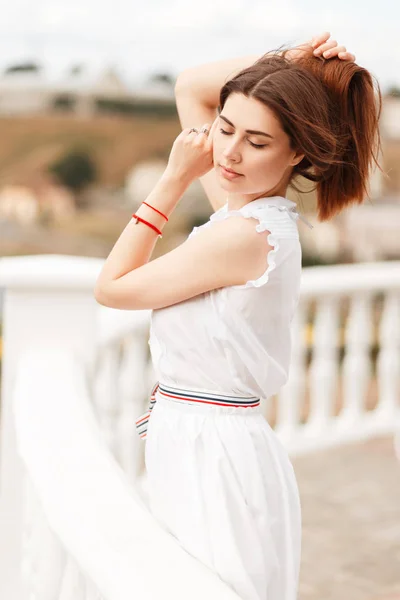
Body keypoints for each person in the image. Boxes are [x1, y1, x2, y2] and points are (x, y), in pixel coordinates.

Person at [94, 32, 382, 600]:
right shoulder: (246, 209)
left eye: (256, 142)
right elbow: (191, 86)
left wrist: (173, 178)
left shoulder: (248, 234)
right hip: (200, 442)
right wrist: (294, 64)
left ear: (297, 153)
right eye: (224, 129)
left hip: (218, 460)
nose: (227, 153)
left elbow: (112, 287)